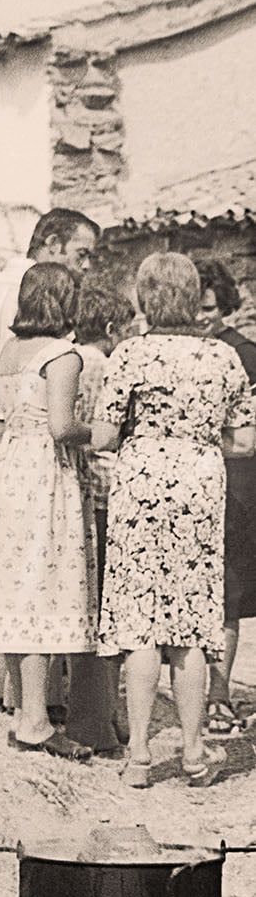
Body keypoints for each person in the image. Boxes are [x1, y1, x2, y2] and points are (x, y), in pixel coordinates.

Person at [92, 252, 256, 788]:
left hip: (140, 480)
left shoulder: (129, 354)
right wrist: (201, 438)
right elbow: (246, 440)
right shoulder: (222, 358)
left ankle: (139, 757)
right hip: (200, 483)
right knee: (188, 624)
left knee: (140, 621)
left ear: (144, 299)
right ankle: (191, 752)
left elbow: (103, 436)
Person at [0, 207, 100, 715]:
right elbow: (62, 419)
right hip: (34, 443)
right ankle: (41, 704)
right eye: (81, 255)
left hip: (0, 443)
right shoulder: (53, 332)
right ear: (55, 245)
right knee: (45, 572)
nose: (85, 269)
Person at [63, 283, 136, 755]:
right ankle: (97, 718)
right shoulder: (108, 367)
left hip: (72, 491)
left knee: (81, 603)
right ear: (111, 329)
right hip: (108, 493)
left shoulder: (65, 360)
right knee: (107, 613)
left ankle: (87, 709)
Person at [194, 255, 256, 734]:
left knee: (226, 593)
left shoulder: (247, 355)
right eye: (194, 306)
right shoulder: (179, 351)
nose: (201, 317)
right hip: (188, 483)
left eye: (210, 308)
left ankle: (219, 692)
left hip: (235, 482)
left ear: (227, 306)